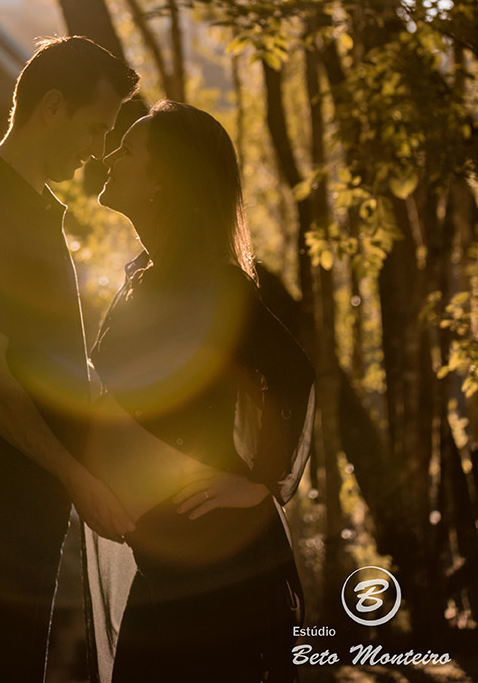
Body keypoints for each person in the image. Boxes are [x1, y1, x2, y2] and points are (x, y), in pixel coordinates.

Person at [0, 35, 141, 683]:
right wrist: (77, 476)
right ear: (50, 107)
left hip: (18, 499)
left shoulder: (32, 210)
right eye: (94, 126)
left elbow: (45, 367)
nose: (96, 149)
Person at [83, 100, 315, 683]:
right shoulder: (147, 277)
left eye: (129, 151)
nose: (111, 156)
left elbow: (294, 376)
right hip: (167, 566)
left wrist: (258, 484)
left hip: (220, 573)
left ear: (164, 181)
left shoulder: (213, 284)